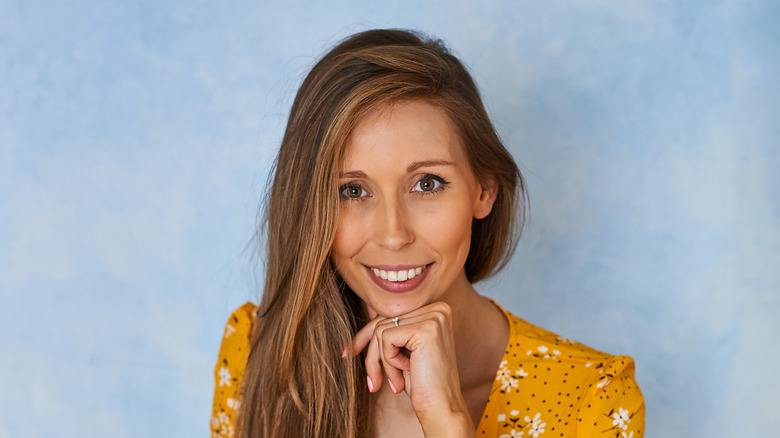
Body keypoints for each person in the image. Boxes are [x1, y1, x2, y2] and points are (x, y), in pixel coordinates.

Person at [210, 29, 644, 438]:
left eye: (427, 184)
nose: (394, 235)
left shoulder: (594, 400)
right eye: (353, 190)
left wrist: (447, 422)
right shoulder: (255, 355)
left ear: (484, 190)